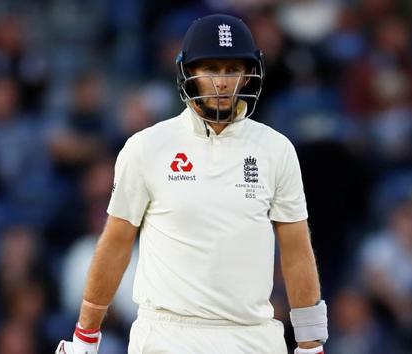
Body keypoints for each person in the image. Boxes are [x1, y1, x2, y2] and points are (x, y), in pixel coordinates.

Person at [56, 14, 328, 354]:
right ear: (189, 72)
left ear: (248, 74)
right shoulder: (147, 147)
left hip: (252, 337)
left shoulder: (276, 150)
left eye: (232, 70)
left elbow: (297, 251)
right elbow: (116, 242)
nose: (221, 81)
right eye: (210, 68)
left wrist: (310, 342)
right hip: (167, 335)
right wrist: (85, 335)